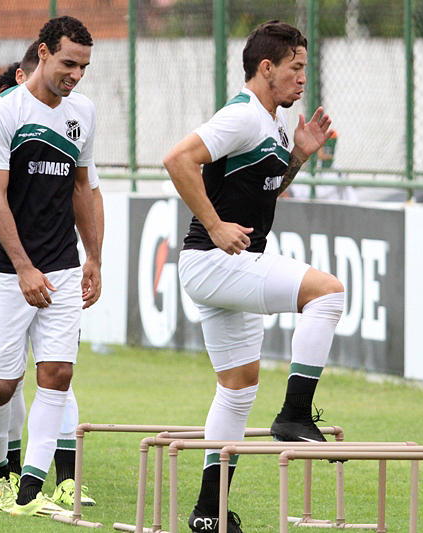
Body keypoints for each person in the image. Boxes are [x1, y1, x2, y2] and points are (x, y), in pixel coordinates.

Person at [163, 20, 345, 533]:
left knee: (238, 390)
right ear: (267, 69)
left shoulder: (273, 123)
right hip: (217, 260)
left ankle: (207, 514)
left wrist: (298, 158)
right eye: (296, 68)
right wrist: (217, 226)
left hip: (220, 266)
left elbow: (264, 188)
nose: (303, 79)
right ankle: (294, 413)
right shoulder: (242, 115)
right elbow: (178, 160)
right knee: (328, 294)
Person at [0, 39, 102, 509]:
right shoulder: (1, 114)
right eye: (69, 63)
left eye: (84, 66)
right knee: (1, 384)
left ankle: (32, 486)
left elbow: (83, 188)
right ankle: (0, 476)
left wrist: (93, 256)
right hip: (6, 272)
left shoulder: (84, 113)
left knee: (57, 372)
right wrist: (22, 266)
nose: (76, 74)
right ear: (44, 53)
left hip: (63, 267)